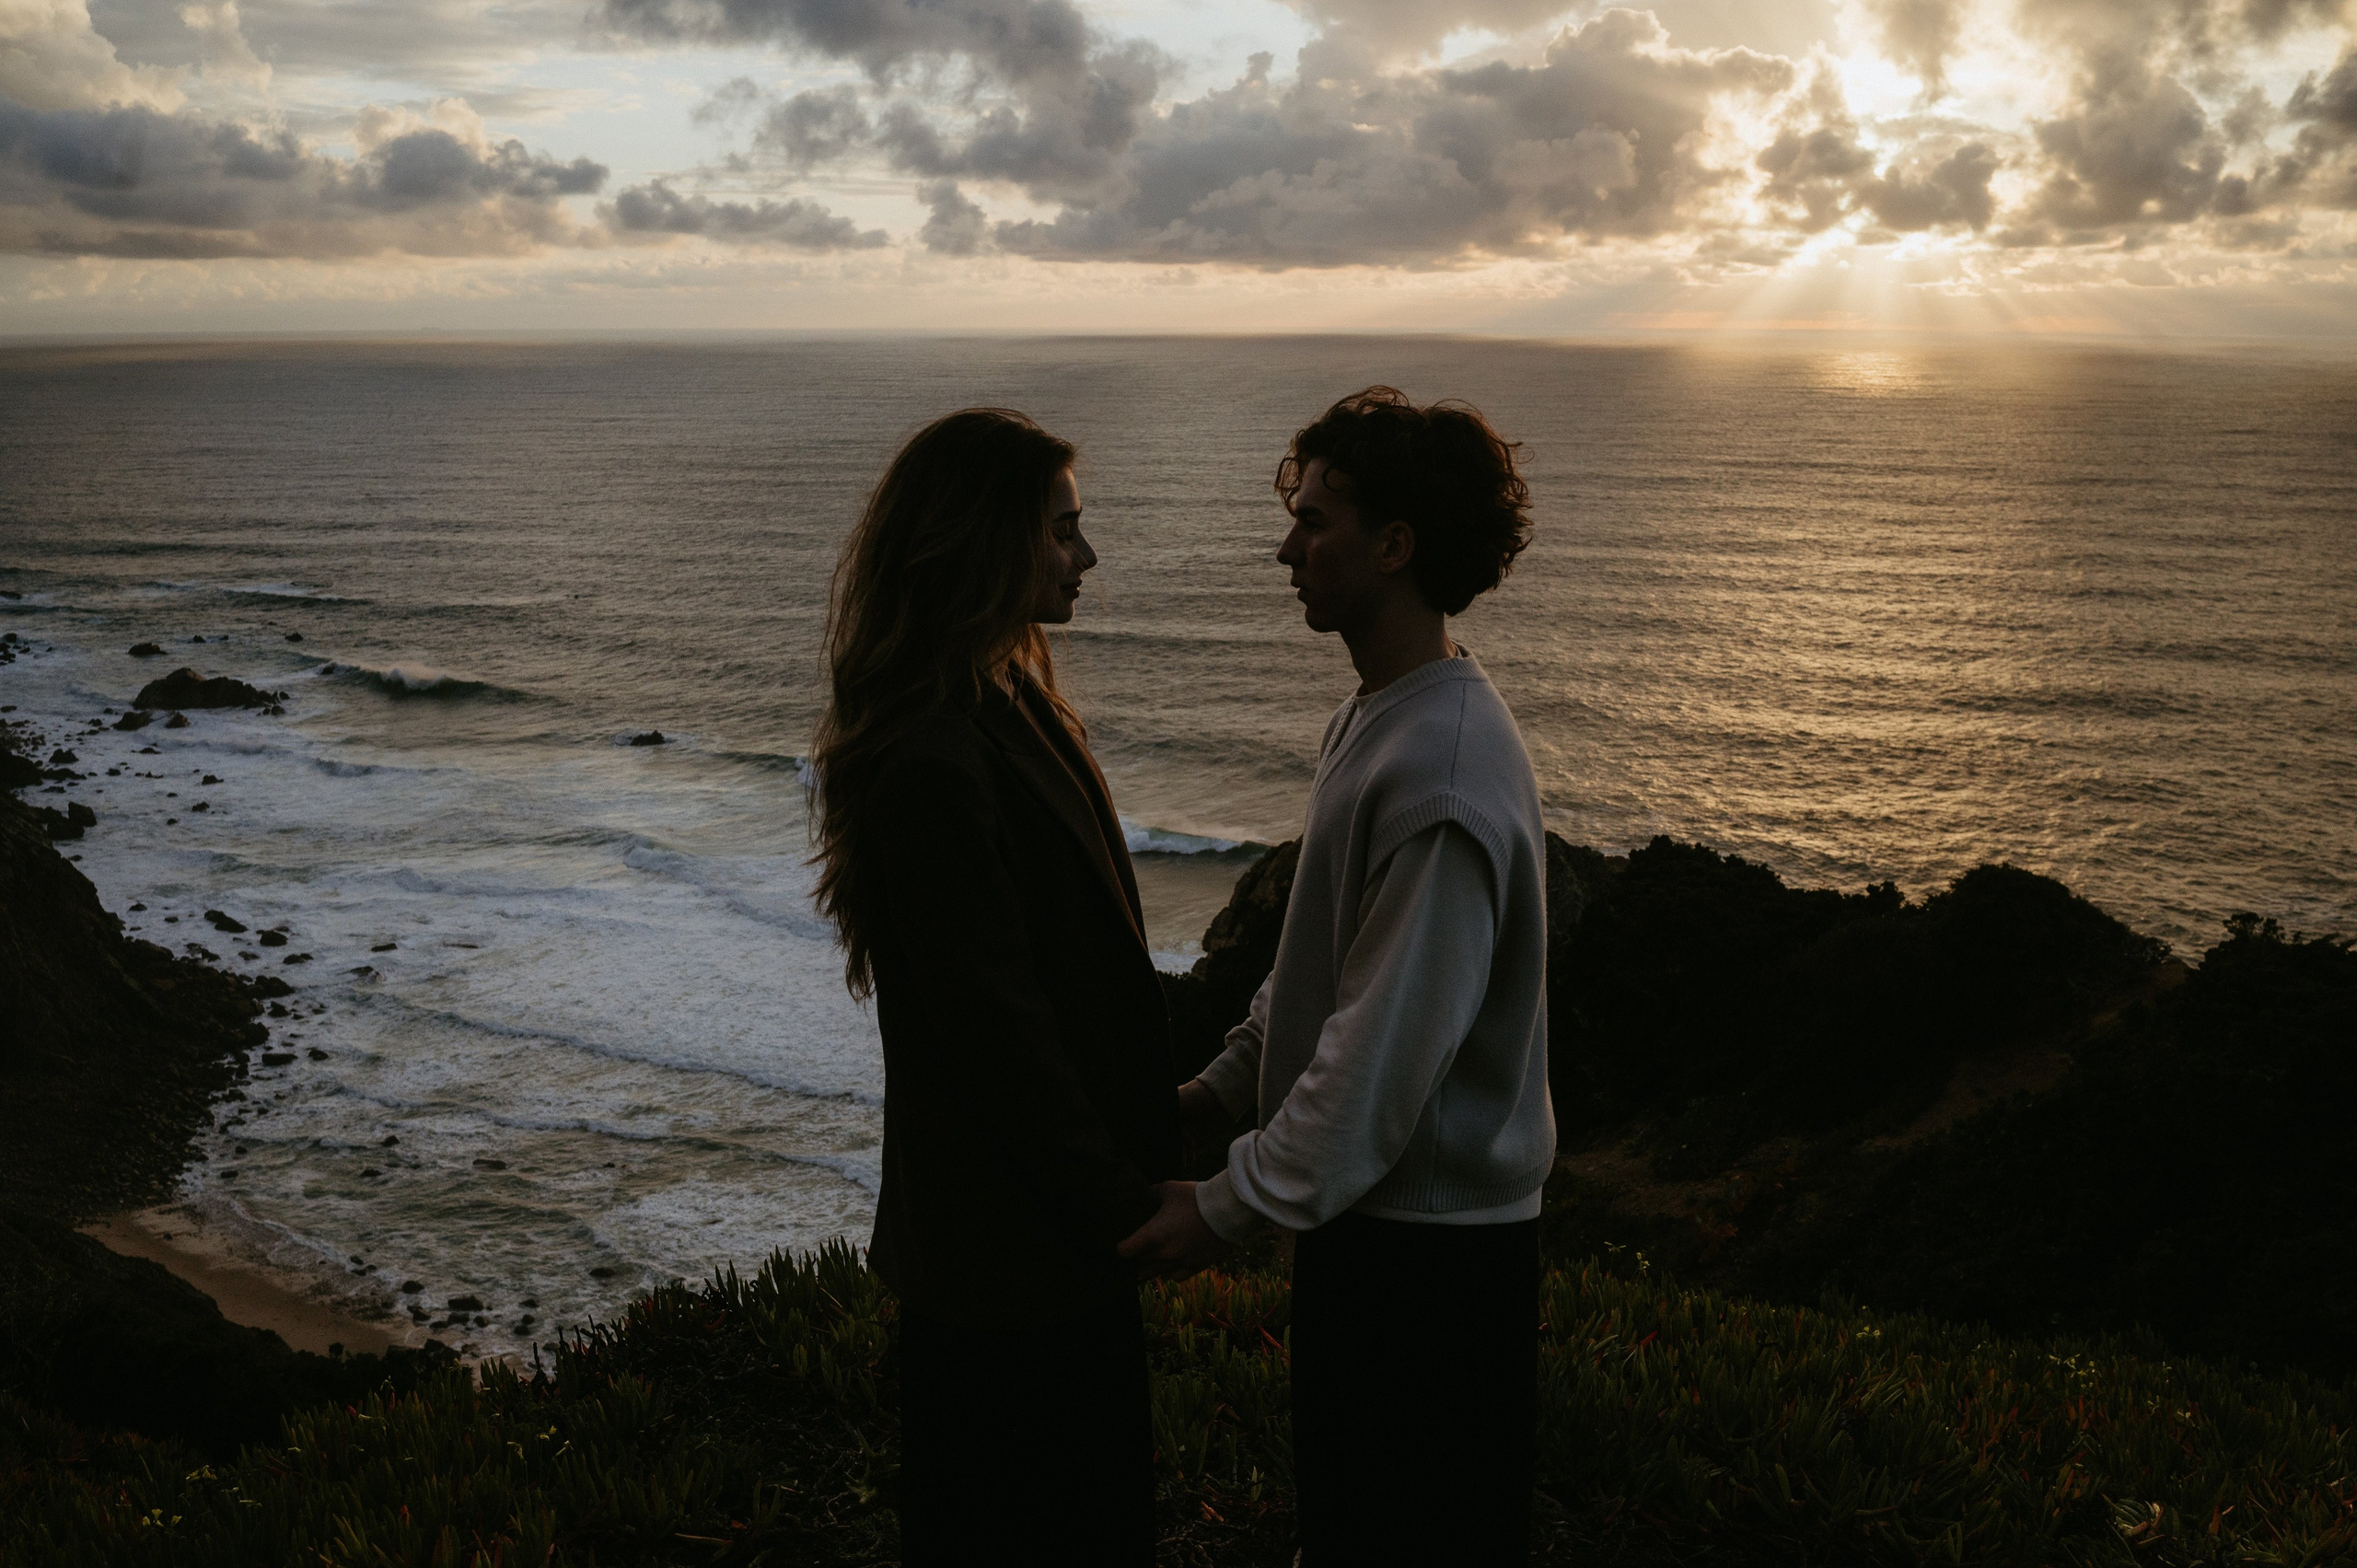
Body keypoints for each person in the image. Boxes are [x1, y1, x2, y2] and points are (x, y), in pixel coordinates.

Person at [1119, 387, 1555, 1564]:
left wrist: (1214, 1210)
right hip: (1377, 1238)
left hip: (1432, 1272)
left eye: (1314, 521)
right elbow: (1321, 967)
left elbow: (1375, 1060)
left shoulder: (1444, 773)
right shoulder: (1383, 717)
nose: (1285, 546)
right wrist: (1213, 1093)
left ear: (1395, 545)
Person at [809, 408, 1178, 1565]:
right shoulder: (931, 751)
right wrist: (1126, 1207)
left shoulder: (1008, 700)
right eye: (1063, 529)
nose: (1087, 555)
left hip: (1042, 1247)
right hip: (1005, 1268)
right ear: (987, 542)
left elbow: (1073, 978)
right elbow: (997, 1031)